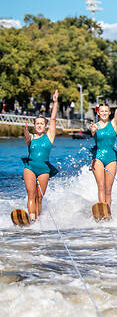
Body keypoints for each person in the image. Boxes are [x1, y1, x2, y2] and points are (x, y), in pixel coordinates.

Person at [22, 90, 59, 221]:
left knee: (39, 196)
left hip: (44, 169)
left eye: (41, 124)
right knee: (31, 194)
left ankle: (37, 220)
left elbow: (53, 119)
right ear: (34, 125)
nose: (39, 125)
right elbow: (26, 137)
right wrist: (25, 131)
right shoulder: (31, 137)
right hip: (30, 167)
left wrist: (55, 102)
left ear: (45, 125)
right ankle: (31, 218)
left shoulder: (49, 136)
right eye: (37, 123)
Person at [89, 80, 117, 206]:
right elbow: (93, 132)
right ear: (98, 113)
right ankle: (101, 209)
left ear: (109, 113)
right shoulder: (95, 126)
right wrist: (93, 130)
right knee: (101, 187)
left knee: (108, 189)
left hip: (111, 158)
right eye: (102, 111)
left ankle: (108, 212)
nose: (104, 113)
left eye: (106, 111)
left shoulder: (113, 124)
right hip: (98, 158)